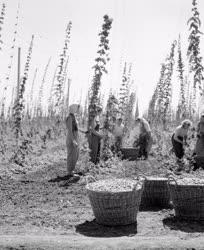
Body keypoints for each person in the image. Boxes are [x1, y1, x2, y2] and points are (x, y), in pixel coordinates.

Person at [66, 104, 81, 177]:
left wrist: (84, 131)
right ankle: (70, 171)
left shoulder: (74, 117)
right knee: (71, 154)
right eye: (77, 108)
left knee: (76, 154)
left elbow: (77, 128)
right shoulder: (69, 117)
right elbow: (70, 130)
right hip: (72, 138)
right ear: (73, 108)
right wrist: (73, 140)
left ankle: (72, 170)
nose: (77, 110)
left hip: (75, 137)